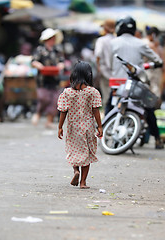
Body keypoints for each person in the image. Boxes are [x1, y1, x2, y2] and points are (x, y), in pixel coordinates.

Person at [107, 16, 164, 149]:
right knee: (149, 109)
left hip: (117, 83)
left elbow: (109, 63)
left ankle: (101, 133)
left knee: (109, 106)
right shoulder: (140, 44)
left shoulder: (113, 43)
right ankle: (157, 139)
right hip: (135, 84)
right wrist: (146, 66)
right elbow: (158, 61)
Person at [57, 61, 103, 189]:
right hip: (88, 126)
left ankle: (75, 171)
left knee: (74, 151)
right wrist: (99, 126)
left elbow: (63, 111)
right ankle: (83, 182)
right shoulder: (92, 92)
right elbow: (96, 110)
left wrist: (60, 127)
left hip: (73, 127)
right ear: (89, 75)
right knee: (86, 155)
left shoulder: (67, 93)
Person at [31, 28, 64, 128]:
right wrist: (40, 66)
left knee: (55, 100)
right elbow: (33, 61)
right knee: (43, 98)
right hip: (43, 80)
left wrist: (60, 66)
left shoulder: (57, 50)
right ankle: (38, 113)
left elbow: (61, 61)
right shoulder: (40, 50)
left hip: (54, 79)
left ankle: (49, 121)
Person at [94, 19, 115, 113]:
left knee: (107, 97)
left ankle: (107, 117)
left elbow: (97, 55)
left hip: (105, 72)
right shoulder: (117, 40)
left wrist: (98, 68)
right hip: (116, 73)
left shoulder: (101, 40)